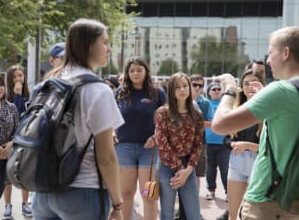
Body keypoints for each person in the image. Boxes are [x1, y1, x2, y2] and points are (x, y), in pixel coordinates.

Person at [212, 26, 299, 220]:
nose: (269, 60)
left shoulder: (282, 90)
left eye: (271, 52)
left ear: (286, 53)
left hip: (271, 204)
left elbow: (220, 125)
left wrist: (230, 90)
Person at [32, 18, 125, 220]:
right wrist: (118, 203)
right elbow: (106, 156)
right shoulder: (98, 90)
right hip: (83, 191)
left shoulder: (47, 84)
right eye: (105, 42)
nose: (108, 49)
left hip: (43, 191)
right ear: (89, 45)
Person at [115, 57, 166, 220]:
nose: (135, 73)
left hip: (149, 150)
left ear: (146, 71)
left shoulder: (157, 93)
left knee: (148, 194)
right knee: (126, 193)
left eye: (139, 70)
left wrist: (156, 137)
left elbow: (167, 120)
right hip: (124, 148)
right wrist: (111, 132)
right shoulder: (120, 92)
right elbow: (111, 117)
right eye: (132, 70)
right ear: (127, 73)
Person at [216, 69, 265, 220]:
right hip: (236, 161)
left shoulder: (268, 110)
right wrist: (233, 144)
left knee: (251, 215)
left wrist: (248, 145)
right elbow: (226, 138)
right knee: (232, 213)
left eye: (254, 83)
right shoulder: (237, 109)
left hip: (258, 163)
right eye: (246, 83)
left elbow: (272, 146)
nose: (250, 86)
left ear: (262, 85)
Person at [154, 72, 204, 220]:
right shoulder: (162, 113)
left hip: (188, 166)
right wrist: (179, 169)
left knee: (193, 214)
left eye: (185, 86)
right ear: (171, 90)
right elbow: (162, 145)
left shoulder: (197, 114)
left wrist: (187, 170)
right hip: (166, 166)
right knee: (167, 214)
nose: (182, 90)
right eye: (177, 87)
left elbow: (198, 144)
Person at [0, 72, 19, 220]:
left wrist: (11, 143)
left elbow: (18, 132)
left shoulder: (11, 108)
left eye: (0, 84)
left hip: (3, 164)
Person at [3, 65, 32, 219]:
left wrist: (21, 95)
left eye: (20, 75)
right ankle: (7, 206)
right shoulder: (6, 97)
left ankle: (25, 204)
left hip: (25, 141)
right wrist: (17, 96)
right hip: (9, 141)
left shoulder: (30, 95)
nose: (18, 79)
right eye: (14, 77)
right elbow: (15, 115)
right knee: (7, 177)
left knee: (24, 175)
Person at [204, 82, 230, 202]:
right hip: (209, 142)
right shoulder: (206, 104)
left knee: (225, 169)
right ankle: (211, 191)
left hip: (224, 143)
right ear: (209, 92)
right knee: (210, 168)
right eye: (213, 89)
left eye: (219, 89)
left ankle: (228, 192)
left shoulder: (225, 104)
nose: (216, 91)